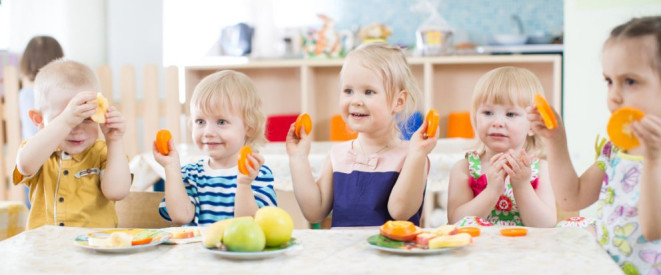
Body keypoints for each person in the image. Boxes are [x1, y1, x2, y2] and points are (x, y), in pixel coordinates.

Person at [527, 16, 661, 274]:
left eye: (630, 81)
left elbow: (653, 228)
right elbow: (571, 197)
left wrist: (654, 160)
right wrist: (556, 140)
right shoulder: (617, 148)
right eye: (609, 81)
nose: (614, 95)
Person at [286, 42, 436, 227]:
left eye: (369, 92)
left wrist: (417, 155)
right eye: (348, 91)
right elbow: (314, 212)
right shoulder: (338, 155)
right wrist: (298, 158)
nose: (356, 101)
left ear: (398, 101)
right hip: (346, 256)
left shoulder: (412, 156)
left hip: (394, 255)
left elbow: (401, 212)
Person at [13, 59, 131, 229]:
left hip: (94, 249)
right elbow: (25, 165)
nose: (77, 129)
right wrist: (65, 121)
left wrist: (115, 140)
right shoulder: (39, 151)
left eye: (86, 119)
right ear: (38, 120)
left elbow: (117, 192)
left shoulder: (104, 153)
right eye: (65, 118)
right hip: (46, 250)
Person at [155, 70, 277, 226]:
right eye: (200, 121)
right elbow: (181, 217)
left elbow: (250, 224)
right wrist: (171, 168)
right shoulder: (190, 174)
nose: (208, 132)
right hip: (199, 250)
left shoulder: (258, 173)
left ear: (249, 127)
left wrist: (244, 184)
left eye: (221, 122)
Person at [447, 66, 557, 228]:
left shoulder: (540, 169)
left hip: (527, 252)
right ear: (475, 117)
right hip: (478, 251)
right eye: (488, 113)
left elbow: (546, 225)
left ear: (533, 125)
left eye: (511, 114)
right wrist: (492, 191)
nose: (497, 122)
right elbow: (455, 222)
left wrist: (521, 186)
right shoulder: (465, 168)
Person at [18, 36, 64, 208]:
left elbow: (32, 133)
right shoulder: (59, 91)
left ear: (27, 62)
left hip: (34, 156)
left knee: (35, 205)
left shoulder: (26, 94)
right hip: (54, 157)